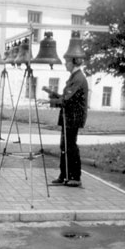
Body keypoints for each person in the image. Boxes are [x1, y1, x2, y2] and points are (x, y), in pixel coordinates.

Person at [43, 56, 88, 187]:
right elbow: (65, 97)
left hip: (73, 117)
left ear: (73, 63)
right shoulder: (75, 77)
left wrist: (51, 101)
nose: (65, 65)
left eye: (67, 62)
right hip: (69, 116)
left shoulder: (78, 78)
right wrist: (52, 93)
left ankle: (74, 177)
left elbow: (68, 100)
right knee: (65, 146)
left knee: (70, 146)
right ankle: (64, 175)